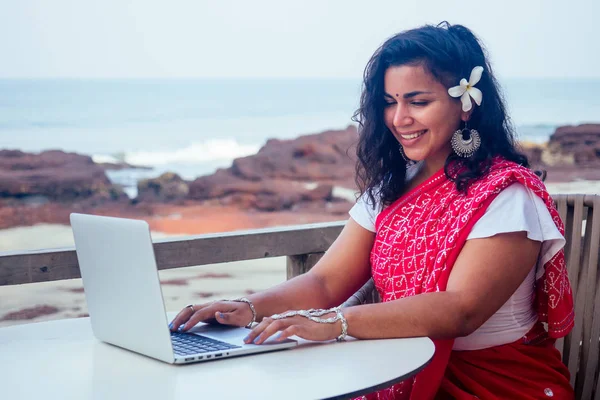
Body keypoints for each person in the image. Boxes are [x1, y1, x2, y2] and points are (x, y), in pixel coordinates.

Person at [169, 22, 575, 399]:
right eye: (389, 102)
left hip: (491, 384)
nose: (400, 119)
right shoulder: (390, 189)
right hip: (389, 368)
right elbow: (326, 283)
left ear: (466, 105)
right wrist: (248, 307)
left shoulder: (508, 196)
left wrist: (337, 323)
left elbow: (461, 309)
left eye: (418, 101)